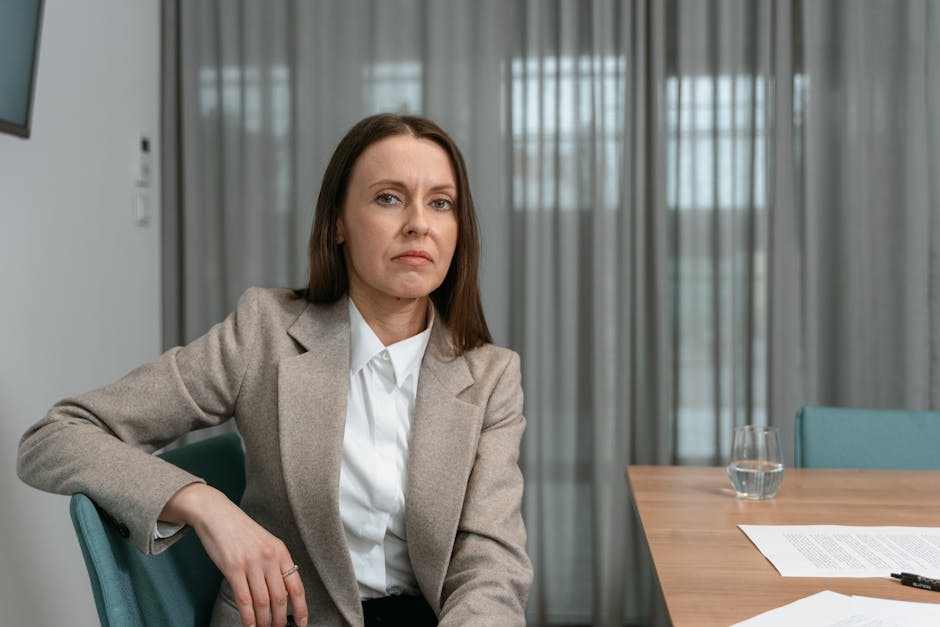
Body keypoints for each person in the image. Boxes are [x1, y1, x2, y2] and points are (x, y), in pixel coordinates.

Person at [17, 113, 532, 627]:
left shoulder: (491, 375)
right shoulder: (265, 333)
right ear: (337, 224)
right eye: (388, 198)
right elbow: (54, 437)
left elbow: (490, 563)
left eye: (440, 203)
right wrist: (203, 503)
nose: (419, 222)